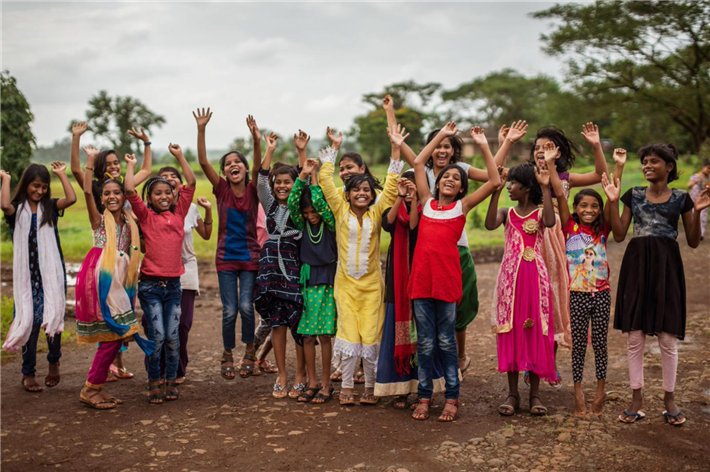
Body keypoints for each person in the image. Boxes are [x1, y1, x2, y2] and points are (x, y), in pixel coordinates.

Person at [383, 94, 527, 375]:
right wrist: (390, 112)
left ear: (454, 152)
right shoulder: (422, 176)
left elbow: (492, 176)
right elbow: (400, 144)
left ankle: (457, 359)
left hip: (454, 246)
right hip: (422, 246)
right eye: (438, 145)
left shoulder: (459, 175)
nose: (442, 151)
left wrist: (503, 143)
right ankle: (429, 368)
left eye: (447, 146)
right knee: (425, 311)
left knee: (455, 308)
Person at [603, 143, 709, 426]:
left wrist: (697, 211)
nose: (647, 166)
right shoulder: (634, 195)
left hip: (667, 268)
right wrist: (612, 202)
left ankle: (669, 398)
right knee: (634, 336)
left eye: (654, 161)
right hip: (636, 266)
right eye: (644, 162)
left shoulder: (682, 198)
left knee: (667, 337)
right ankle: (636, 399)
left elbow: (693, 241)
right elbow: (618, 234)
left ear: (669, 166)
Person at [409, 123, 501, 422]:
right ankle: (424, 396)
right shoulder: (426, 203)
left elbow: (495, 179)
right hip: (421, 284)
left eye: (456, 178)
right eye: (446, 176)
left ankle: (452, 397)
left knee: (447, 342)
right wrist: (439, 136)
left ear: (462, 188)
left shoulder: (461, 208)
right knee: (425, 343)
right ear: (437, 183)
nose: (450, 179)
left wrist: (483, 144)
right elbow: (419, 162)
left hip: (447, 285)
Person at [319, 126, 404, 406]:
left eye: (367, 190)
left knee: (370, 334)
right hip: (344, 285)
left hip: (371, 287)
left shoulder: (378, 212)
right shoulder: (339, 208)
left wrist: (395, 148)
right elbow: (324, 180)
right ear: (349, 193)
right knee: (347, 334)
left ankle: (369, 387)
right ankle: (345, 387)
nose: (362, 194)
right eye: (357, 190)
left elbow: (391, 186)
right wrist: (334, 146)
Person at [525, 123, 608, 387]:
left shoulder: (565, 178)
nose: (541, 151)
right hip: (531, 239)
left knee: (556, 298)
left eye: (547, 147)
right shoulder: (527, 175)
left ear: (558, 153)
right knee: (532, 301)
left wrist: (596, 145)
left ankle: (548, 362)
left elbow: (600, 174)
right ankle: (530, 363)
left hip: (559, 243)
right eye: (537, 148)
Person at [69, 122, 153, 380]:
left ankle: (111, 366)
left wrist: (145, 144)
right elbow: (82, 183)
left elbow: (146, 170)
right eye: (111, 163)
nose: (115, 167)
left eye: (118, 163)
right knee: (113, 321)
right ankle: (100, 374)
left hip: (125, 264)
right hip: (105, 265)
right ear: (103, 196)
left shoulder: (125, 194)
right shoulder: (97, 195)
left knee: (119, 321)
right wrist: (86, 154)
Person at [549, 142, 627, 416]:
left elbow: (611, 193)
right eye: (584, 205)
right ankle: (578, 390)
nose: (590, 209)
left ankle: (602, 390)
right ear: (575, 208)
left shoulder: (602, 228)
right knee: (579, 344)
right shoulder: (568, 226)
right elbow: (559, 194)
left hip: (602, 293)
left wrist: (618, 168)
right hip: (577, 295)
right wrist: (549, 164)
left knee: (602, 344)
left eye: (594, 205)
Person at [195, 109, 263, 380]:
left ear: (245, 169)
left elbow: (259, 166)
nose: (233, 165)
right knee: (229, 310)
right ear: (224, 171)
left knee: (247, 307)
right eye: (227, 163)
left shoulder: (253, 189)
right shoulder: (221, 189)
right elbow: (202, 161)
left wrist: (256, 140)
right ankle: (227, 353)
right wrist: (201, 129)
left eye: (238, 162)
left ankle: (249, 350)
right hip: (225, 257)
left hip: (250, 258)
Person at [125, 144, 196, 404]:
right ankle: (153, 381)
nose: (164, 196)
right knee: (157, 336)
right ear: (150, 197)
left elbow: (190, 180)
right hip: (150, 287)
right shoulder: (145, 216)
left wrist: (179, 155)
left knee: (173, 337)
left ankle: (169, 382)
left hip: (174, 287)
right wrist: (131, 166)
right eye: (158, 193)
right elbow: (130, 190)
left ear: (174, 195)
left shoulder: (179, 212)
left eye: (168, 191)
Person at [486, 162, 556, 417]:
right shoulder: (507, 213)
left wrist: (546, 188)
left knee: (536, 329)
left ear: (527, 188)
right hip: (510, 281)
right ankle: (512, 394)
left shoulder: (539, 214)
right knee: (512, 329)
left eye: (513, 183)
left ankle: (535, 395)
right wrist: (496, 189)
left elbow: (549, 221)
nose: (509, 187)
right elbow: (489, 224)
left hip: (535, 279)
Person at [1, 162, 76, 392]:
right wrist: (5, 179)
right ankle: (28, 372)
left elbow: (71, 199)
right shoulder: (16, 210)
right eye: (35, 186)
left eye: (44, 187)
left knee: (53, 317)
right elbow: (4, 204)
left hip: (51, 276)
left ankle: (54, 361)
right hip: (28, 280)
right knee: (30, 322)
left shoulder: (50, 208)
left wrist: (61, 174)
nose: (40, 191)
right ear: (26, 185)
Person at [374, 168, 444, 409]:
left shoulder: (428, 211)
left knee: (424, 335)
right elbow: (389, 223)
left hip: (421, 279)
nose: (410, 187)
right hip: (397, 283)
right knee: (397, 335)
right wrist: (399, 196)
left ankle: (424, 389)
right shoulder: (392, 208)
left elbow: (414, 226)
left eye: (415, 184)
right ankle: (401, 389)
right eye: (407, 183)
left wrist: (413, 199)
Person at [255, 132, 307, 399]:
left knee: (297, 320)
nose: (283, 186)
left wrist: (301, 151)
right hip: (271, 268)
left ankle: (300, 373)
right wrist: (269, 150)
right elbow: (261, 180)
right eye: (279, 183)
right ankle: (281, 374)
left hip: (294, 264)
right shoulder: (270, 204)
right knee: (276, 323)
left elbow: (305, 178)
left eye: (288, 182)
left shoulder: (299, 205)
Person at [288, 158, 338, 404]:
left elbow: (318, 201)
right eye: (306, 212)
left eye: (313, 211)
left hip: (327, 282)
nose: (310, 215)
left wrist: (315, 175)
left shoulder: (330, 223)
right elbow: (292, 202)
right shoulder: (302, 223)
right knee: (308, 336)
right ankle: (312, 382)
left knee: (325, 336)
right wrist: (301, 177)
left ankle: (327, 385)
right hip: (307, 284)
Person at [157, 167, 213, 384]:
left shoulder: (189, 209)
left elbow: (207, 235)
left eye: (174, 178)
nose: (170, 181)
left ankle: (178, 368)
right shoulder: (153, 210)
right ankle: (159, 368)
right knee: (157, 323)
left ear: (180, 185)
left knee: (181, 324)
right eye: (164, 178)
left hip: (186, 270)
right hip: (159, 271)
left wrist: (207, 210)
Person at [687, 160, 710, 239]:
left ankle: (701, 234)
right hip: (694, 198)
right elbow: (688, 185)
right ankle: (693, 232)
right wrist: (695, 181)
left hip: (704, 199)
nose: (709, 170)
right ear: (703, 167)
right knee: (693, 215)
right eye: (708, 168)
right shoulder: (697, 176)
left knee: (703, 216)